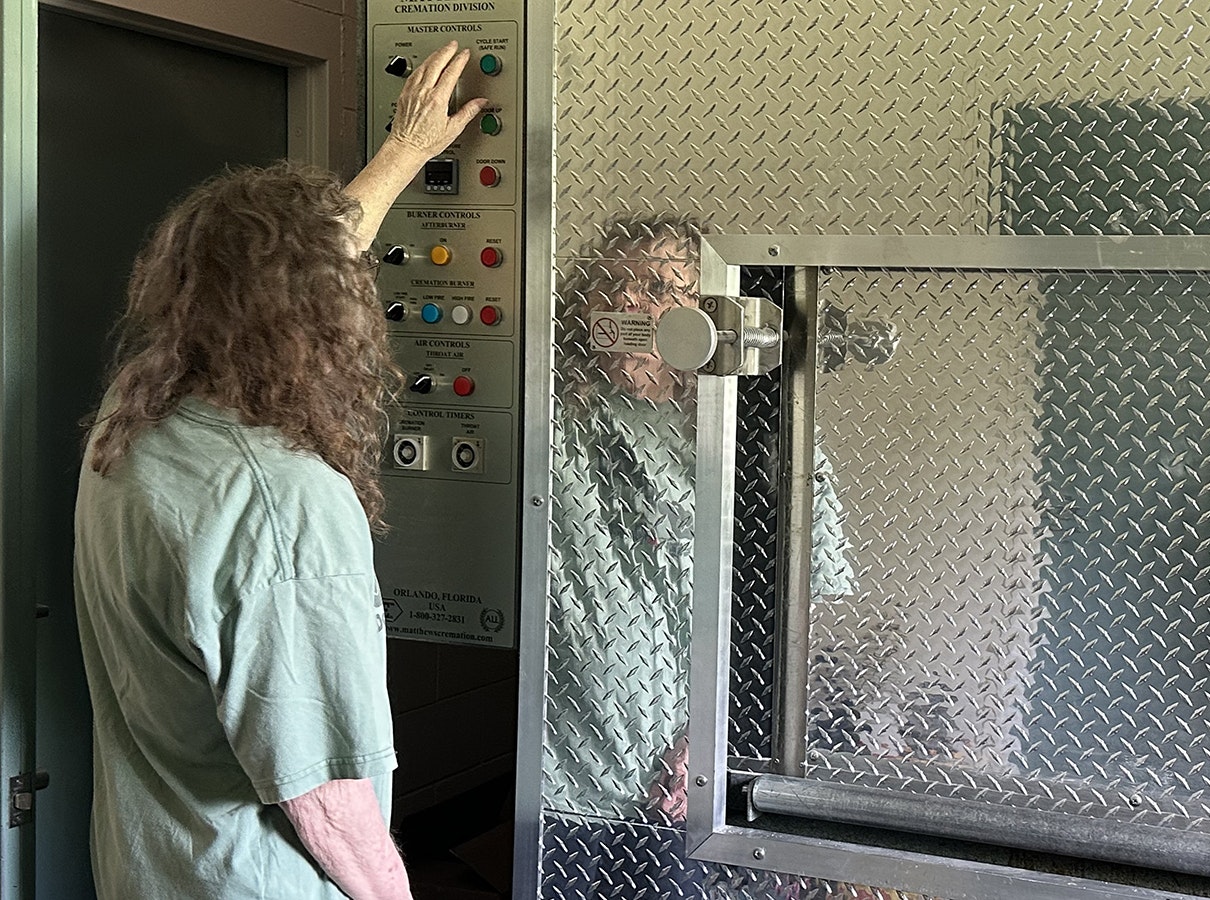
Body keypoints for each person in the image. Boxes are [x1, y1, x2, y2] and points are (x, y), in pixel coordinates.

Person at [72, 42, 487, 900]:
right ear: (323, 318)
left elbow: (282, 269)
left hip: (151, 873)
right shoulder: (285, 503)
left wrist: (404, 152)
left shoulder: (134, 416)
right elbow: (325, 798)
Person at [541, 218, 868, 897]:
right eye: (614, 285)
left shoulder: (760, 440)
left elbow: (802, 620)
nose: (629, 302)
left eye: (660, 288)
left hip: (684, 780)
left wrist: (715, 739)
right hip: (559, 779)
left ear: (711, 319)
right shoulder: (551, 421)